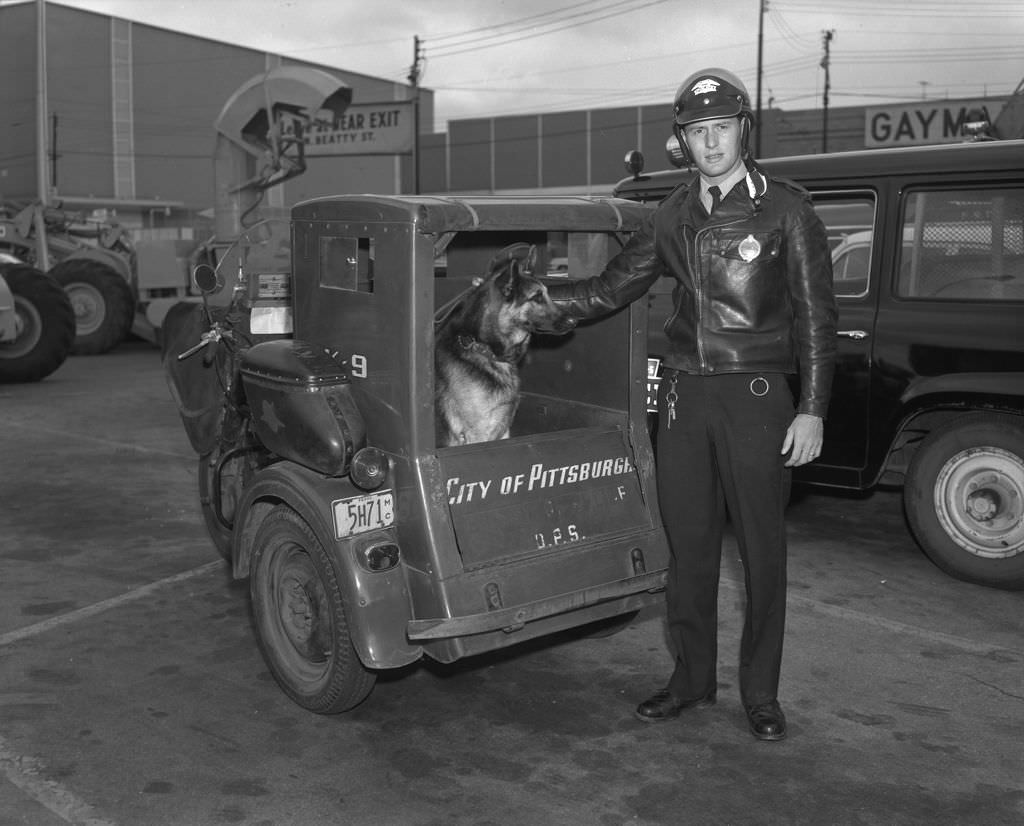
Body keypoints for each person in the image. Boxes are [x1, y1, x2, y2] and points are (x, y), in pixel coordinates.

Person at [548, 68, 837, 741]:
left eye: (722, 128)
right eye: (698, 131)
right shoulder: (671, 214)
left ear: (743, 129)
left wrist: (813, 408)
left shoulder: (787, 210)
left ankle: (761, 694)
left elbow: (817, 319)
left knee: (763, 553)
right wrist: (537, 308)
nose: (711, 142)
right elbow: (611, 288)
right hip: (683, 398)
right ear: (684, 139)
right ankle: (691, 680)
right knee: (690, 550)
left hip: (760, 399)